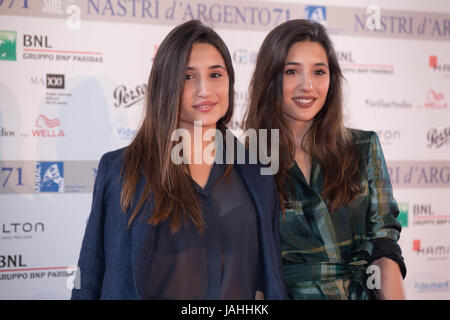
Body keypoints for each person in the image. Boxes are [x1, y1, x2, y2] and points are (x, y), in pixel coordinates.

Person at [71, 20, 286, 300]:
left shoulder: (257, 173)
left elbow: (267, 279)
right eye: (188, 77)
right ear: (166, 85)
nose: (204, 90)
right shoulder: (121, 171)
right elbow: (90, 276)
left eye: (216, 75)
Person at [244, 19, 406, 300]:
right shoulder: (248, 161)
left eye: (319, 71)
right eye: (292, 71)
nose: (307, 85)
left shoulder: (363, 147)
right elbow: (252, 270)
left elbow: (384, 247)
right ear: (270, 79)